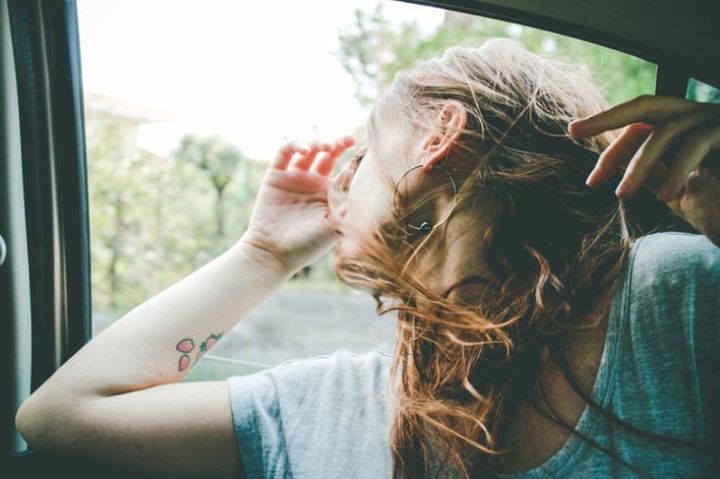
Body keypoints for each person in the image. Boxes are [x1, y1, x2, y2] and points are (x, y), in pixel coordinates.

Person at [15, 39, 720, 479]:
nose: (338, 183)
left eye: (362, 151)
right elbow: (57, 415)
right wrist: (260, 254)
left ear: (440, 135)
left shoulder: (671, 298)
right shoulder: (337, 401)